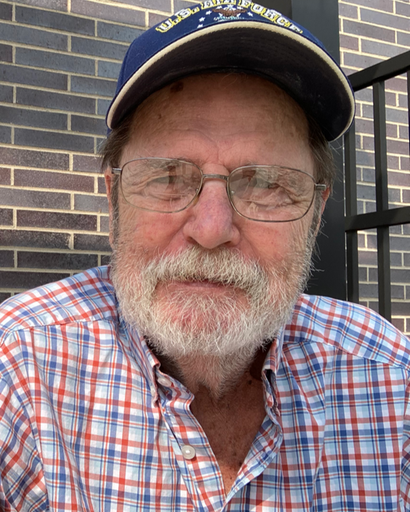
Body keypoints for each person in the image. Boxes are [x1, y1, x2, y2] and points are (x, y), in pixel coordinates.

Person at [0, 2, 409, 510]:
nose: (212, 230)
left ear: (315, 213)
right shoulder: (19, 366)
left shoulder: (387, 378)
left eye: (266, 184)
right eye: (168, 177)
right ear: (113, 199)